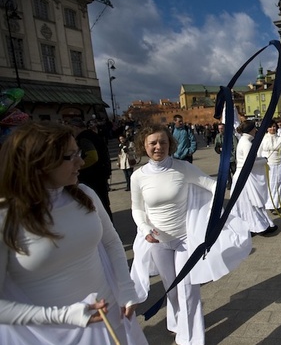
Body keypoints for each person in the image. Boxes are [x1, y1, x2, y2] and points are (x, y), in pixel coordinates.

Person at [0, 121, 146, 344]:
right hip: (49, 334)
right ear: (38, 163)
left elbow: (111, 241)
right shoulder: (6, 216)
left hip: (108, 317)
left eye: (78, 151)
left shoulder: (85, 194)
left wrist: (126, 289)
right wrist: (65, 315)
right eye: (70, 156)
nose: (81, 160)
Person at [130, 124, 250, 345]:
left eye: (163, 142)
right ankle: (176, 323)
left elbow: (212, 185)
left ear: (170, 143)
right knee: (172, 289)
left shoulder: (182, 168)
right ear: (143, 146)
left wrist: (217, 210)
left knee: (188, 289)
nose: (159, 147)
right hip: (158, 242)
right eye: (153, 143)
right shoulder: (138, 177)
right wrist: (145, 229)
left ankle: (191, 339)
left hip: (185, 240)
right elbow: (137, 208)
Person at [232, 120, 278, 235]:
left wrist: (261, 159)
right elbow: (250, 162)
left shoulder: (244, 141)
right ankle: (258, 227)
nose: (256, 131)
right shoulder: (246, 143)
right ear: (251, 130)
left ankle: (255, 226)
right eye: (254, 129)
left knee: (249, 204)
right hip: (245, 178)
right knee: (251, 203)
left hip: (244, 177)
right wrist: (264, 160)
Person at [69, 118, 113, 219]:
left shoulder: (84, 138)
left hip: (92, 177)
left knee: (98, 205)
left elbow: (93, 156)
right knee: (104, 204)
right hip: (100, 174)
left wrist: (78, 167)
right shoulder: (93, 135)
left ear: (75, 127)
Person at [214, 122, 238, 190]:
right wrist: (219, 149)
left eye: (222, 128)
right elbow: (216, 146)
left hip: (231, 157)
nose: (220, 130)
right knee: (226, 172)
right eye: (219, 129)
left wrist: (235, 154)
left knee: (234, 171)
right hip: (224, 158)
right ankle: (229, 183)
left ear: (224, 128)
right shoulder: (218, 136)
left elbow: (235, 145)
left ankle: (237, 183)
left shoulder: (231, 135)